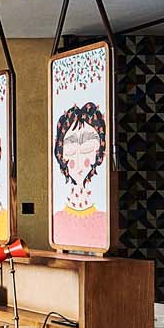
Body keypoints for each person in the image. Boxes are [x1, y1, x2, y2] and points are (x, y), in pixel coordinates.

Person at [51, 101, 108, 250]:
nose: (78, 160)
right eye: (70, 150)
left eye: (86, 149)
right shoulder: (56, 221)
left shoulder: (104, 221)